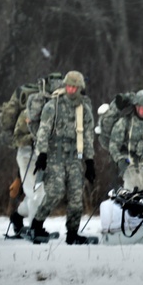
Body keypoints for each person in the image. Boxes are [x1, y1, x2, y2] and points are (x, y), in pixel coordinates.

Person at [29, 71, 96, 245]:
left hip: (74, 157)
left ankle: (73, 233)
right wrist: (42, 154)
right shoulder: (53, 106)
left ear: (80, 88)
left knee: (76, 196)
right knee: (55, 192)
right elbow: (43, 131)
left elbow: (88, 137)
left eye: (75, 87)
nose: (71, 90)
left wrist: (90, 161)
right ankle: (36, 225)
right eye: (68, 86)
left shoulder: (84, 109)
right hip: (54, 156)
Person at [9, 73, 63, 236]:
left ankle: (17, 216)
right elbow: (16, 138)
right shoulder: (28, 112)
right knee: (36, 192)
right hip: (27, 155)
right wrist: (34, 136)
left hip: (44, 155)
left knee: (42, 193)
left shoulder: (57, 111)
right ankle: (35, 228)